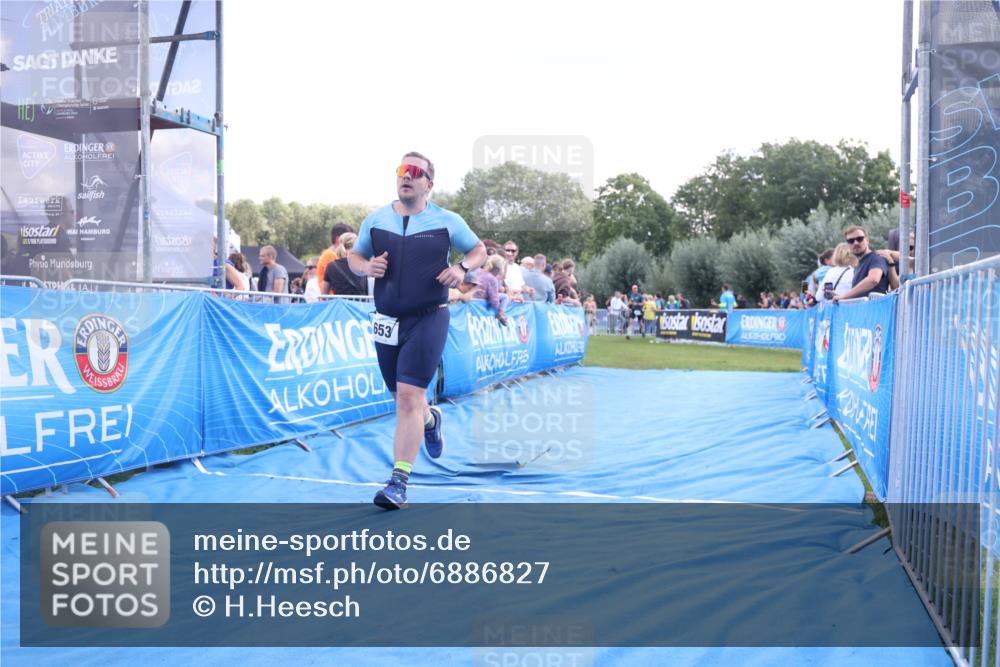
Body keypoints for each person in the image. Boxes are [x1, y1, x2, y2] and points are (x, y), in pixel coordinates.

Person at [348, 151, 486, 510]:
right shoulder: (376, 219)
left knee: (409, 397)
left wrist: (461, 268)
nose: (406, 176)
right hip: (387, 320)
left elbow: (479, 250)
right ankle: (430, 418)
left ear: (429, 183)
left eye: (415, 171)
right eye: (401, 170)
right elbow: (354, 256)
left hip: (430, 316)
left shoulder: (447, 220)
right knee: (403, 399)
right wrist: (367, 267)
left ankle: (399, 482)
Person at [833, 225, 890, 302]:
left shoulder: (877, 257)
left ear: (867, 240)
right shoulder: (858, 264)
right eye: (851, 241)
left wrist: (844, 296)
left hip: (875, 311)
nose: (855, 243)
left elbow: (873, 279)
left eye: (859, 239)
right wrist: (842, 297)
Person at [317, 222, 356, 296]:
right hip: (333, 300)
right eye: (348, 238)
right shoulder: (330, 255)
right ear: (338, 238)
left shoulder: (330, 254)